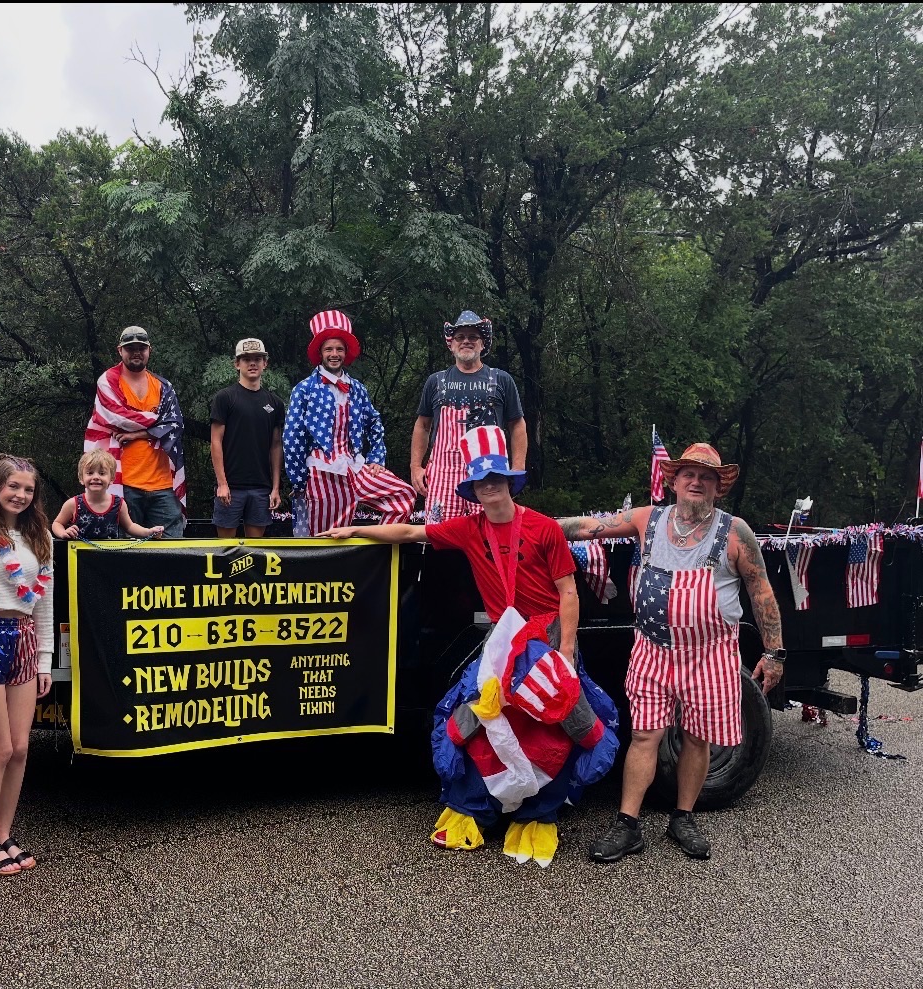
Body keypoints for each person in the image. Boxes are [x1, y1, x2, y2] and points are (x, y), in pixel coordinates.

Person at [322, 426, 615, 866]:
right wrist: (353, 533)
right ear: (474, 491)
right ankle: (478, 805)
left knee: (558, 716)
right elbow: (409, 534)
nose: (489, 486)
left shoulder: (542, 528)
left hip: (547, 634)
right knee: (478, 710)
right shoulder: (467, 528)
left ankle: (540, 812)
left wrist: (567, 652)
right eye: (481, 481)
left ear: (509, 482)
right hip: (504, 637)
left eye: (496, 478)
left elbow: (568, 591)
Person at [558, 442, 786, 862]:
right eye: (689, 475)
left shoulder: (735, 532)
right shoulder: (648, 518)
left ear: (718, 487)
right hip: (651, 651)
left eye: (707, 477)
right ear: (674, 482)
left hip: (711, 654)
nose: (696, 482)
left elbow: (761, 592)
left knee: (697, 740)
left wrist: (775, 653)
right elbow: (595, 526)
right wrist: (535, 525)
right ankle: (627, 824)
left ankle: (683, 817)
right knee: (645, 736)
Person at [0, 455, 55, 877]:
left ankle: (3, 833)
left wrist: (45, 660)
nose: (20, 495)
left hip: (24, 637)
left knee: (20, 748)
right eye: (13, 487)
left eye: (27, 489)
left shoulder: (39, 537)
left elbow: (44, 602)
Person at [282, 310, 416, 536]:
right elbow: (292, 437)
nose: (334, 354)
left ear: (346, 353)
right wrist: (298, 481)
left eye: (339, 349)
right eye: (329, 349)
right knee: (326, 539)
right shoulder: (304, 389)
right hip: (322, 472)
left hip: (355, 466)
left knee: (403, 495)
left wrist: (375, 458)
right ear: (320, 353)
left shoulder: (357, 388)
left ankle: (375, 556)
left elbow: (374, 422)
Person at [410, 311, 527, 523]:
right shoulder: (436, 381)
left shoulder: (501, 379)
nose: (466, 341)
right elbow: (423, 425)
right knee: (441, 536)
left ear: (483, 344)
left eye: (473, 337)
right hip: (443, 474)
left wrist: (517, 469)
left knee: (492, 531)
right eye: (460, 337)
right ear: (451, 344)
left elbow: (517, 425)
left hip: (490, 473)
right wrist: (416, 467)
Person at [84, 325, 186, 537]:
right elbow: (117, 417)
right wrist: (158, 424)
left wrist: (138, 434)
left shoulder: (163, 386)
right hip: (123, 484)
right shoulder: (108, 381)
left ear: (149, 350)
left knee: (172, 552)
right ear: (120, 350)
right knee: (126, 552)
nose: (137, 352)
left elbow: (175, 424)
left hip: (162, 484)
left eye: (142, 347)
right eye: (131, 348)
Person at [209, 338, 284, 538]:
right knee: (226, 551)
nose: (252, 363)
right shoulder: (225, 398)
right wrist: (222, 484)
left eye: (257, 359)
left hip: (262, 488)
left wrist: (276, 488)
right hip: (231, 487)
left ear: (265, 363)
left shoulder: (275, 403)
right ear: (237, 364)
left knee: (255, 552)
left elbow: (276, 446)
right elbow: (215, 441)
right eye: (246, 359)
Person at [53, 450, 166, 541]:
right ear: (81, 478)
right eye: (90, 473)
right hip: (80, 559)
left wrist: (149, 532)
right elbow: (57, 523)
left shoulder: (119, 503)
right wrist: (63, 533)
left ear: (111, 479)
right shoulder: (73, 504)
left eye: (102, 473)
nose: (96, 477)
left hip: (109, 558)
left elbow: (130, 526)